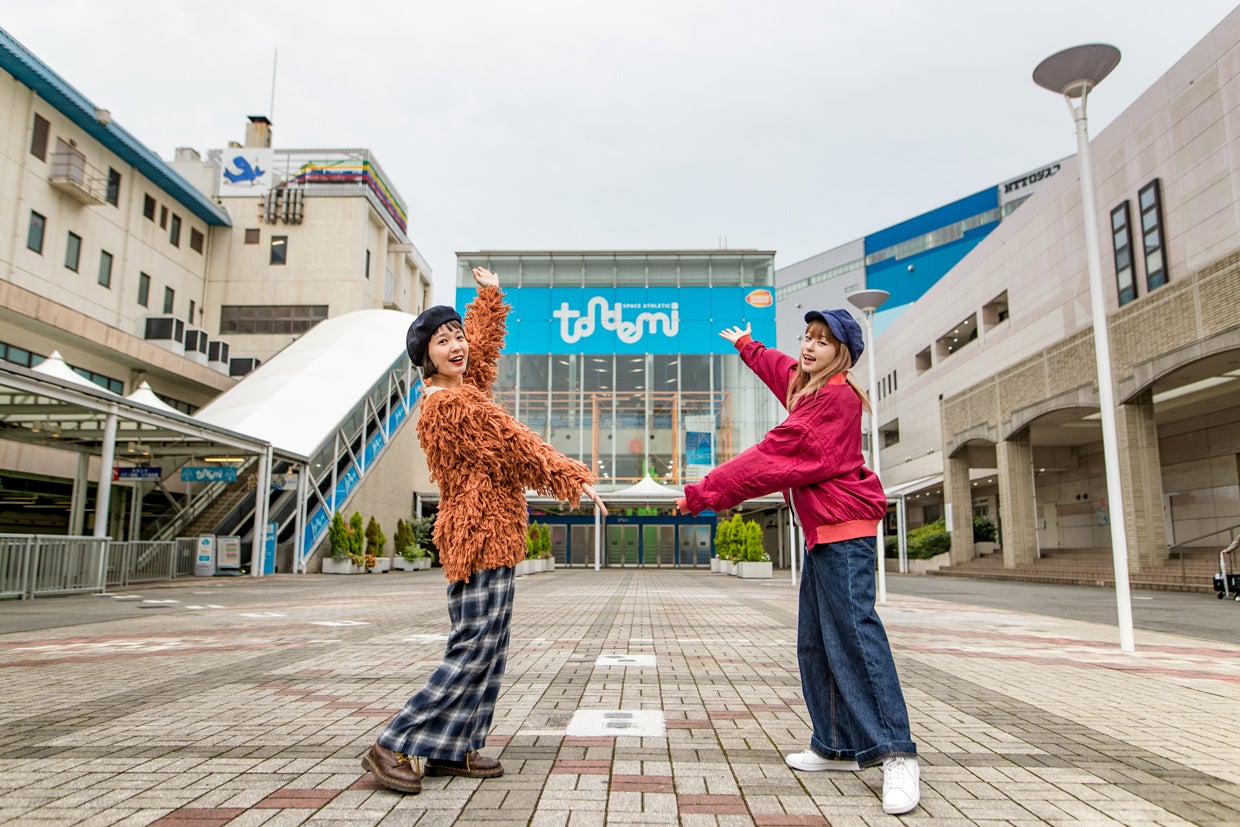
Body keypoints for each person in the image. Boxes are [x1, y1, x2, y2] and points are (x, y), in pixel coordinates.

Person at [361, 266, 607, 795]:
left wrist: (490, 298)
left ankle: (452, 746)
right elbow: (515, 444)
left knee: (490, 649)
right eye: (442, 341)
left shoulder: (466, 387)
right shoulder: (449, 404)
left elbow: (485, 348)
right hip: (475, 538)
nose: (456, 346)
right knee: (473, 646)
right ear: (425, 358)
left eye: (457, 336)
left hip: (495, 536)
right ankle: (393, 742)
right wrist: (572, 477)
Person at [676, 310, 919, 816]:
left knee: (856, 639)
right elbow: (781, 368)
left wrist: (704, 493)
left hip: (844, 533)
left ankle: (896, 752)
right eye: (807, 337)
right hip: (823, 535)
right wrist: (747, 345)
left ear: (841, 355)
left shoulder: (833, 400)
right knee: (816, 642)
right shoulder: (809, 385)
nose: (809, 347)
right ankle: (835, 744)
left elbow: (772, 457)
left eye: (822, 342)